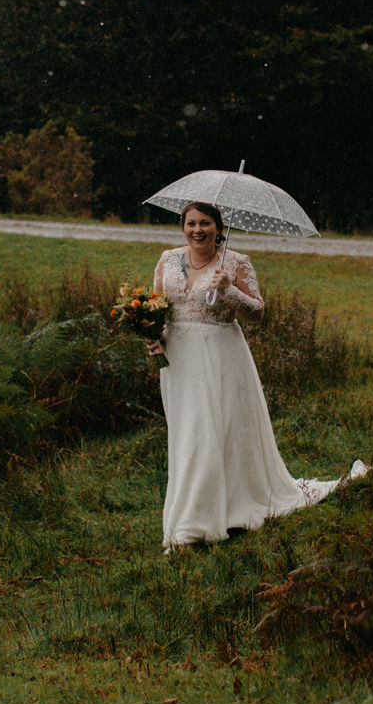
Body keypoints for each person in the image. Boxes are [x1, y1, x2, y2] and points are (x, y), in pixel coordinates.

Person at [147, 201, 346, 548]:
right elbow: (157, 307)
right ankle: (203, 510)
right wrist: (153, 337)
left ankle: (194, 526)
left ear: (218, 227)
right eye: (191, 223)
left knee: (213, 434)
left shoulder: (236, 263)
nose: (197, 230)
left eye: (205, 224)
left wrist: (229, 289)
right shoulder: (167, 259)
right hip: (179, 359)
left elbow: (258, 314)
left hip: (221, 355)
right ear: (183, 226)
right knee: (188, 435)